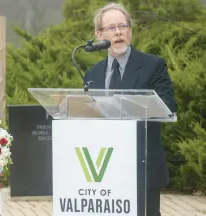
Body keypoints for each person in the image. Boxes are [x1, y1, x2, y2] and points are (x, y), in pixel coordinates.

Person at [84, 2, 177, 216]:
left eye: (122, 26)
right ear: (99, 35)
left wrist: (129, 105)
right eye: (111, 28)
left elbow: (168, 105)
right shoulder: (93, 74)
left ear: (130, 31)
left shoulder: (152, 65)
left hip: (142, 167)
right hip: (103, 167)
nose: (118, 32)